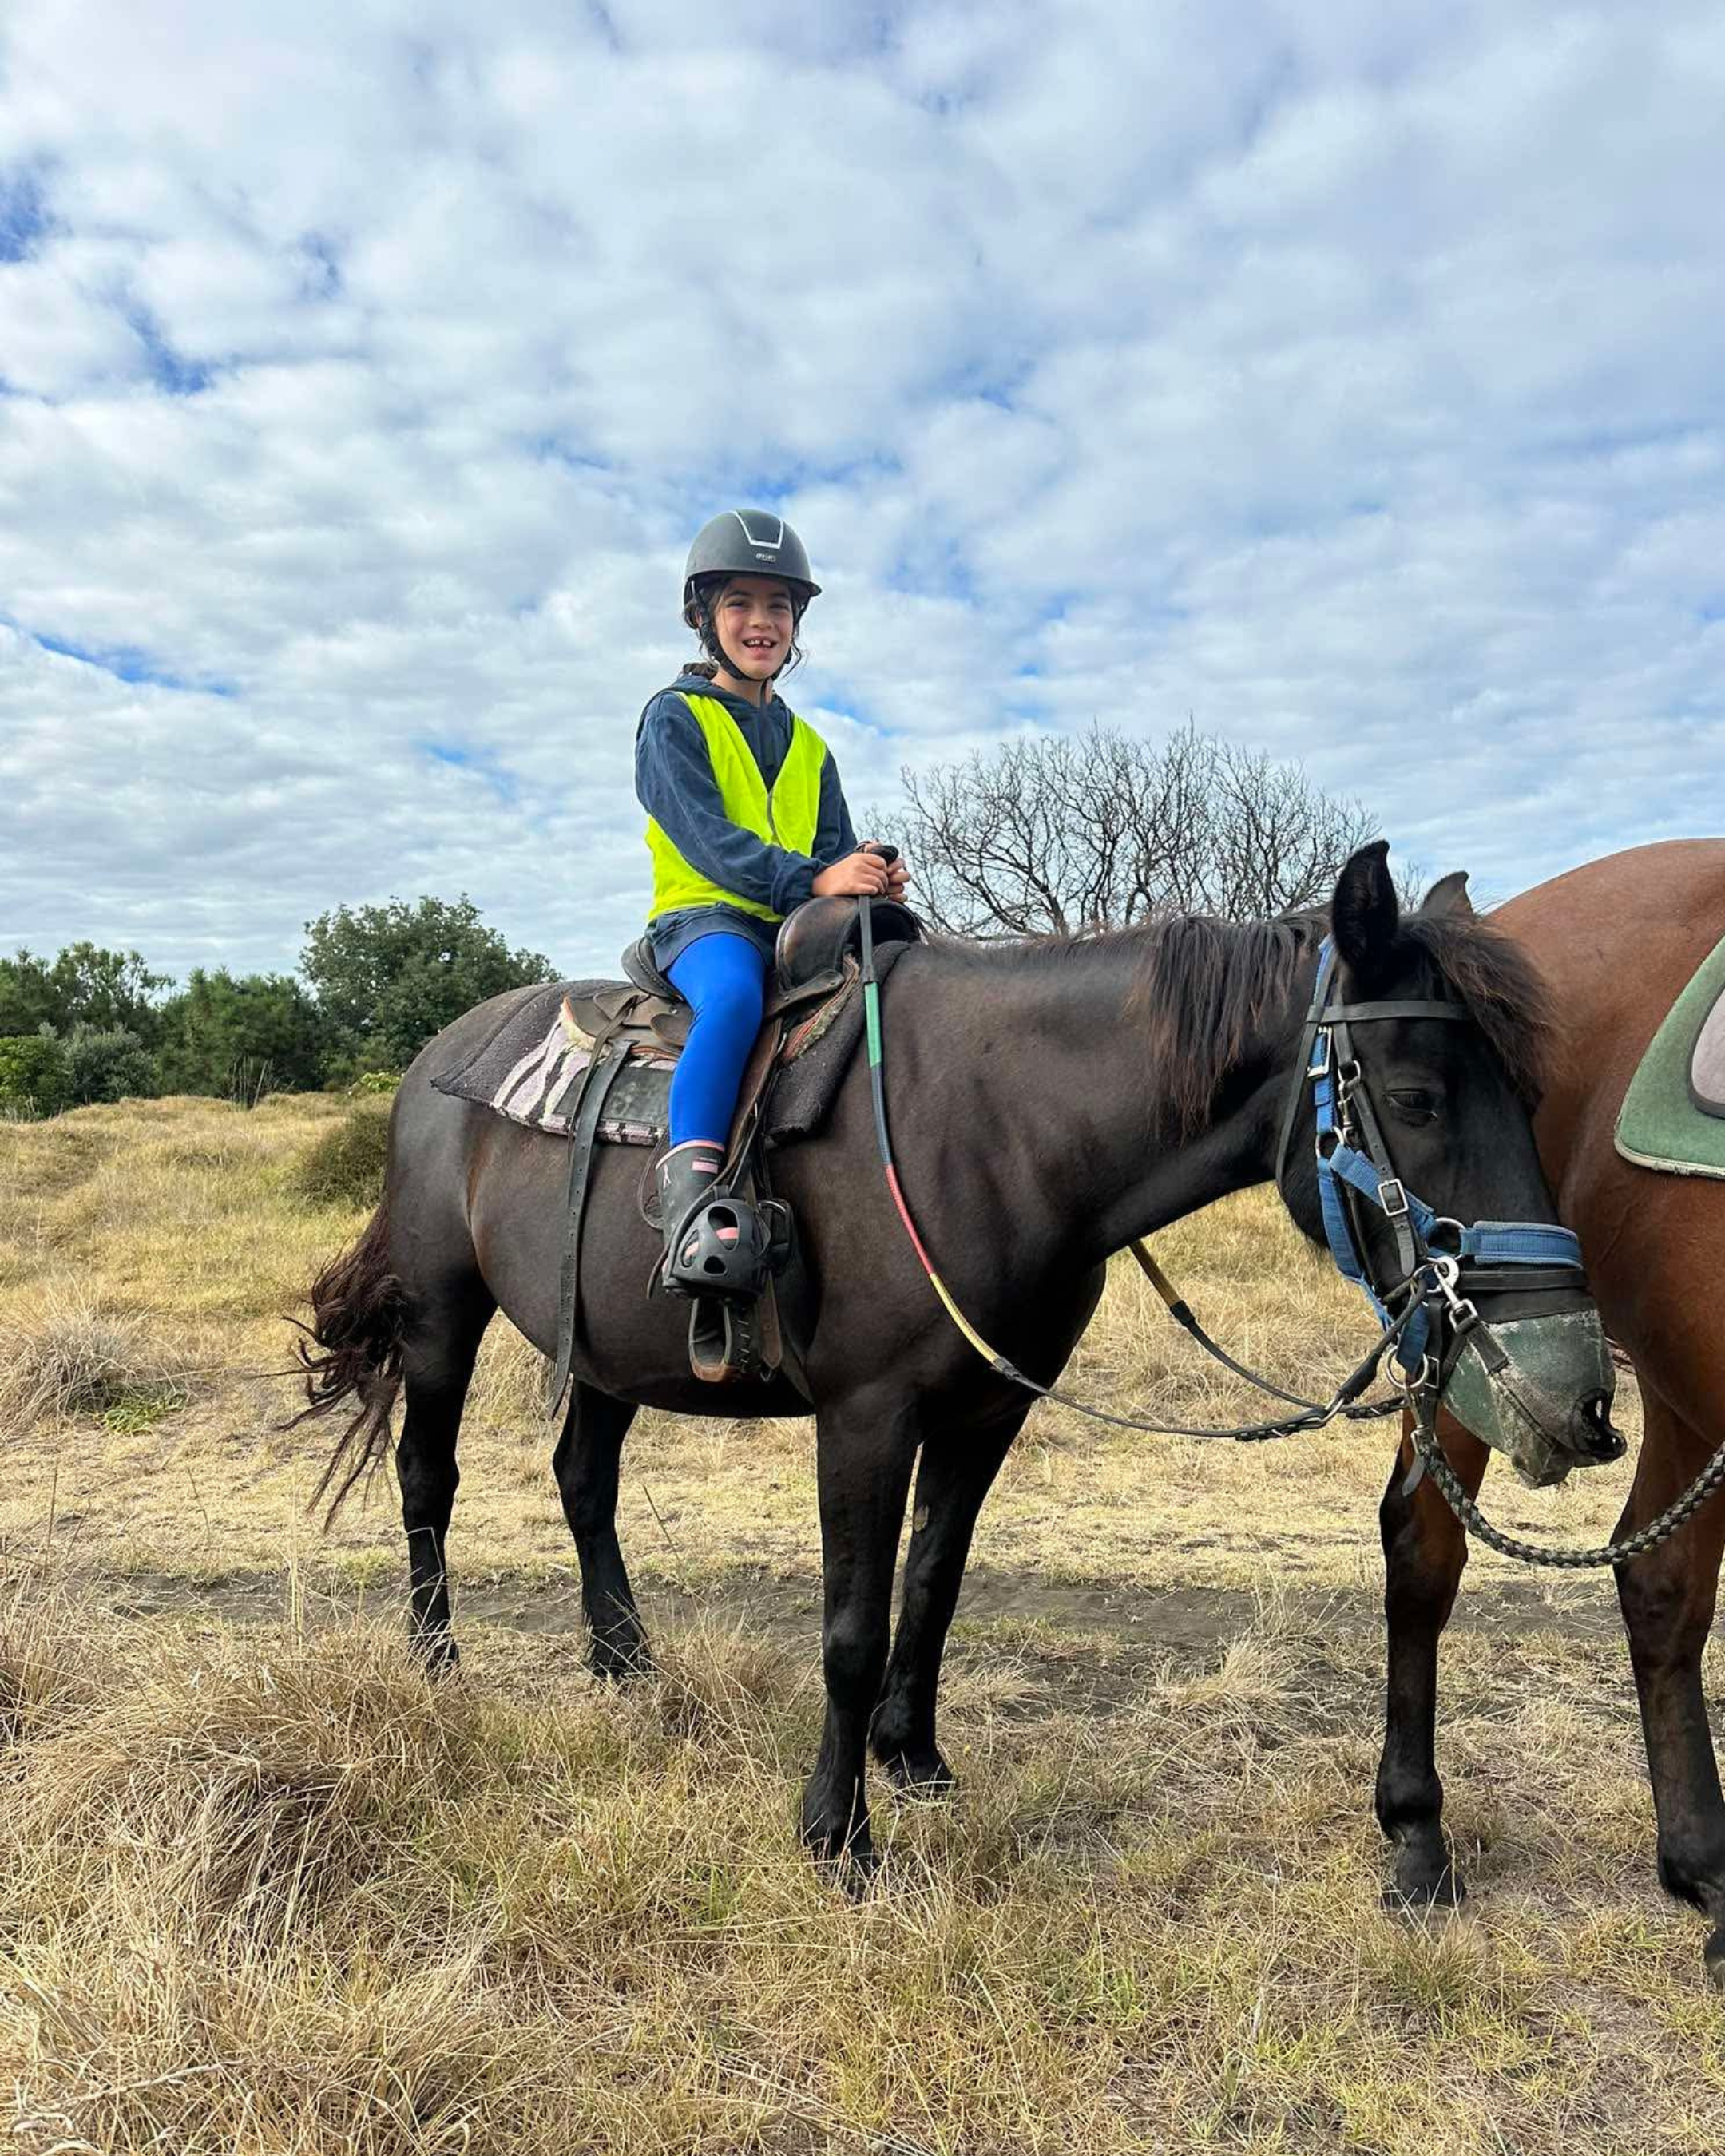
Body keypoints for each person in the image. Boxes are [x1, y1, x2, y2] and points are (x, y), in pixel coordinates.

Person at [636, 508, 910, 1292]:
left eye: (779, 607)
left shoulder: (812, 746)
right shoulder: (673, 717)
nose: (762, 622)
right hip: (705, 921)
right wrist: (814, 881)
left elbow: (832, 850)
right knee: (732, 998)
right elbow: (705, 839)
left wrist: (867, 875)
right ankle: (691, 1205)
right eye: (740, 603)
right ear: (702, 617)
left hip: (800, 928)